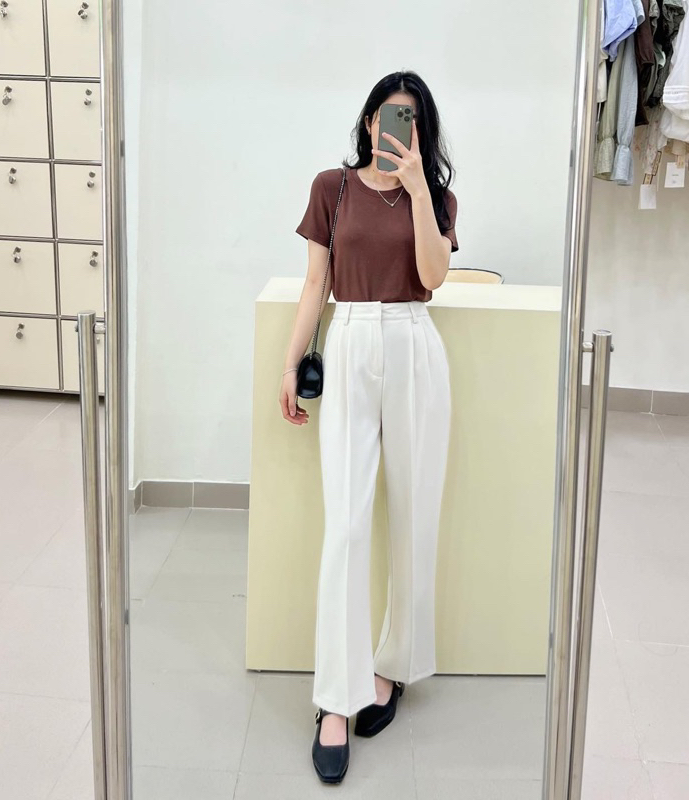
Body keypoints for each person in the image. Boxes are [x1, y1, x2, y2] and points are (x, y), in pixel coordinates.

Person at [279, 70, 458, 785]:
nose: (397, 128)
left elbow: (433, 276)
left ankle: (394, 666)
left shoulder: (435, 196)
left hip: (415, 344)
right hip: (352, 340)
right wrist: (290, 362)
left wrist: (417, 192)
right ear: (368, 121)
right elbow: (315, 283)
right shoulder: (333, 188)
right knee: (348, 527)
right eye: (389, 114)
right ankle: (335, 699)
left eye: (412, 119)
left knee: (413, 517)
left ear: (423, 133)